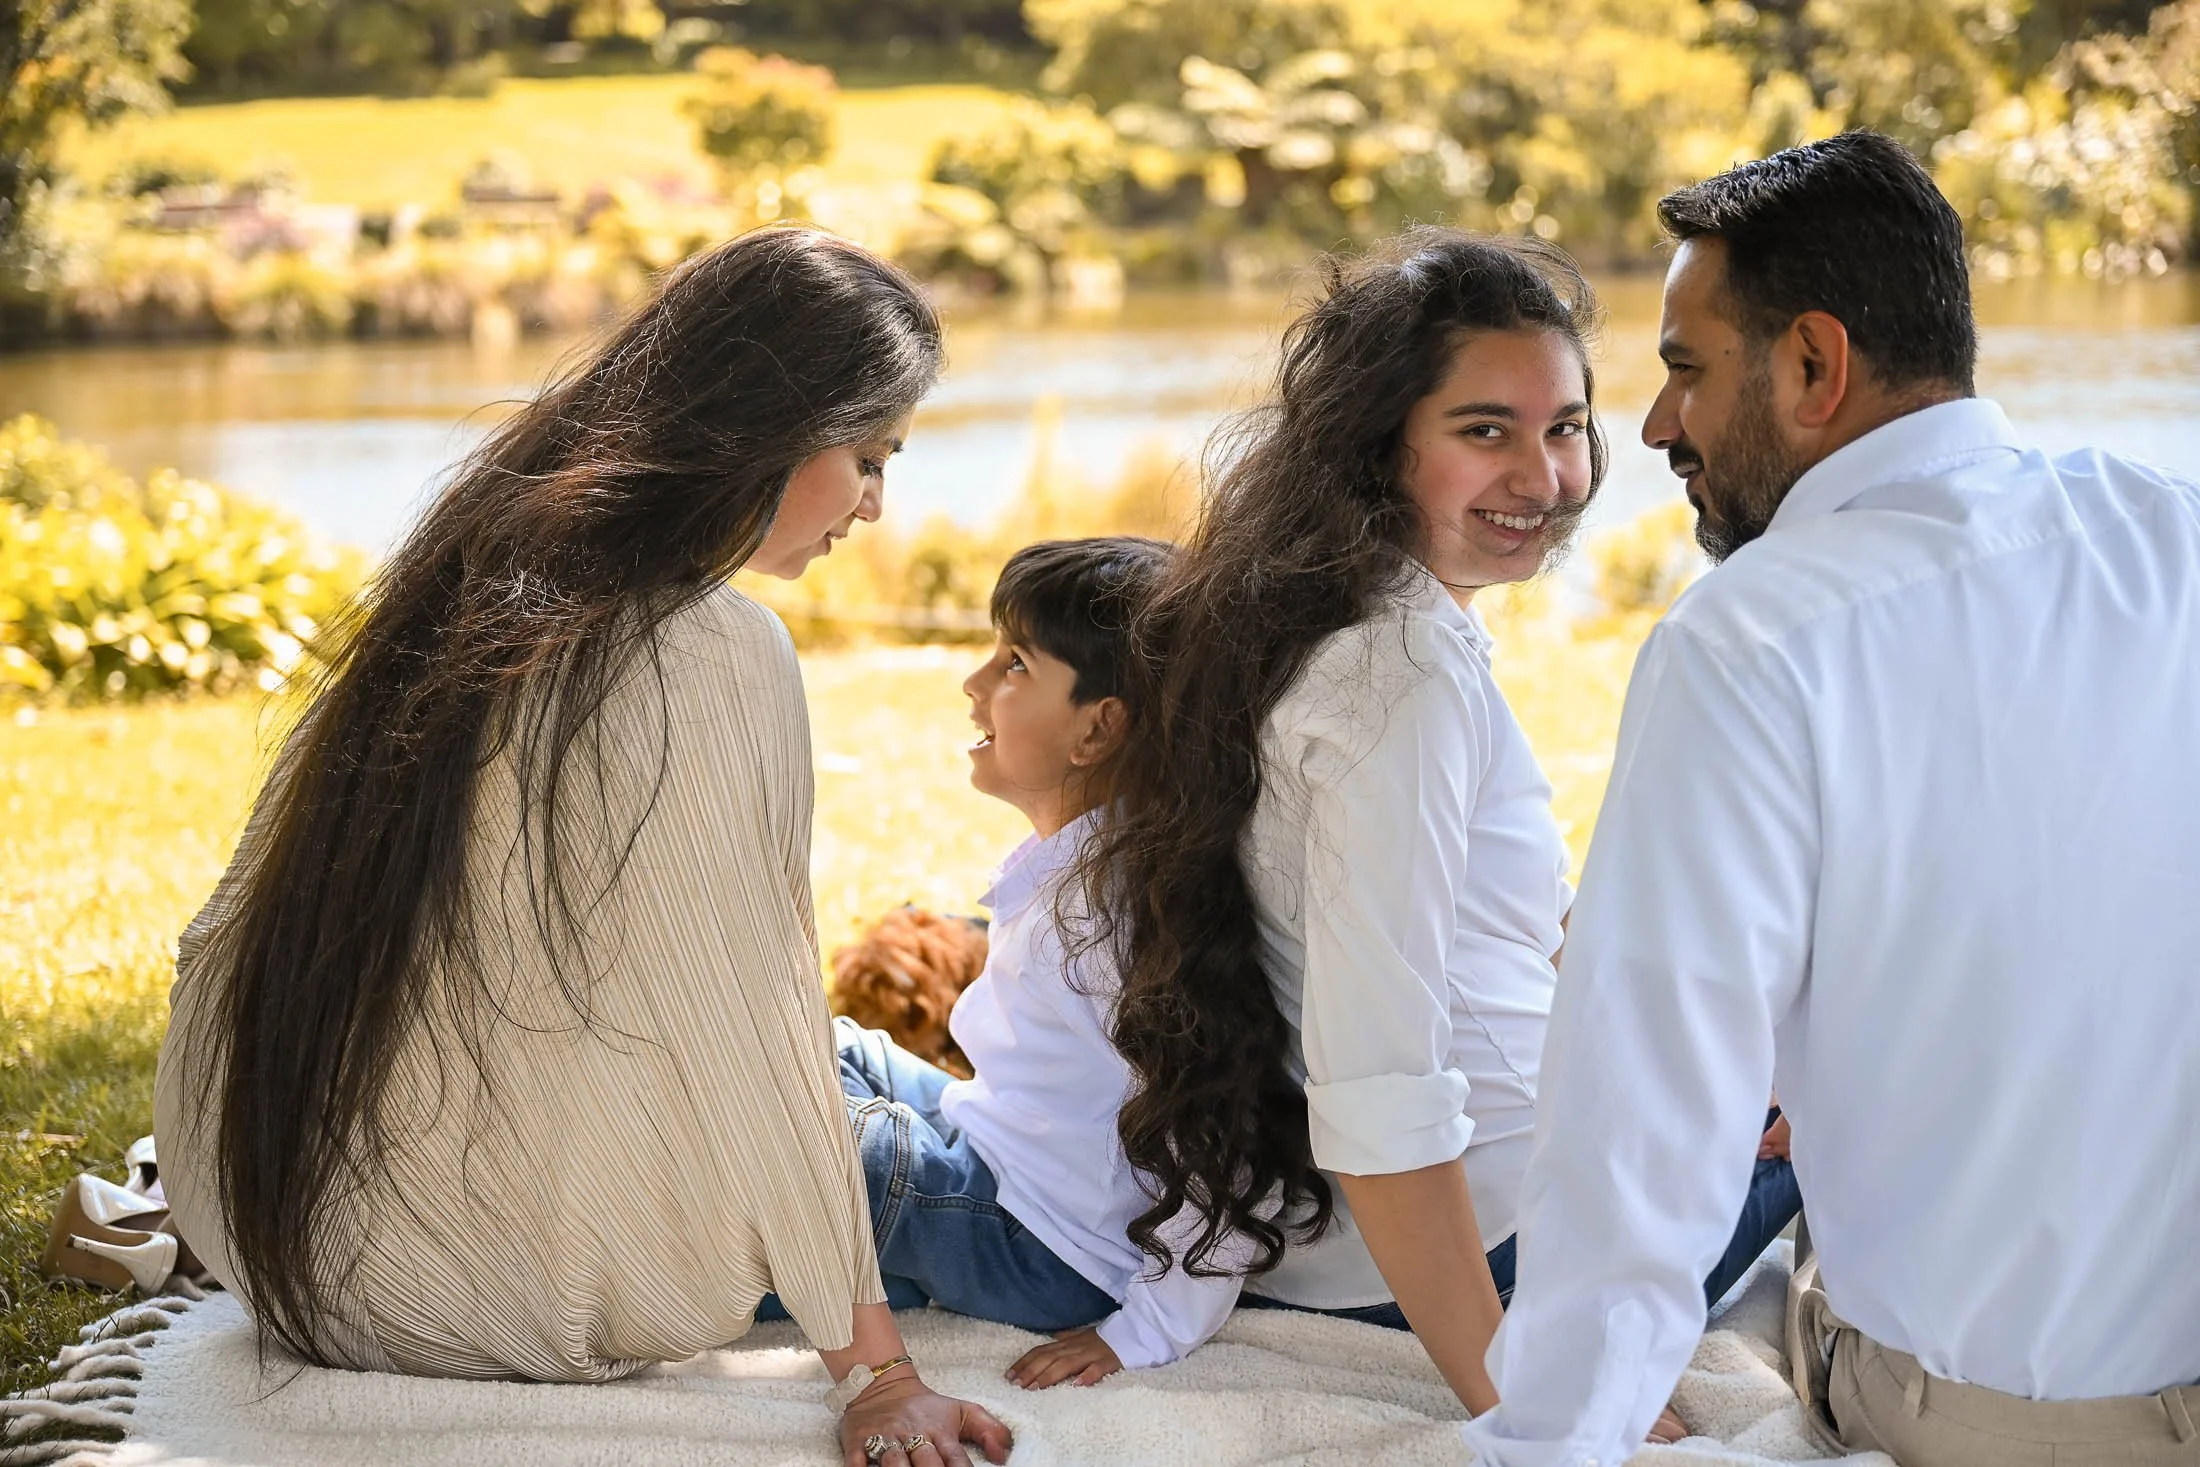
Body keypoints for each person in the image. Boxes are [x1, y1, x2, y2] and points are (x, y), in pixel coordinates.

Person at [152, 227, 1013, 1467]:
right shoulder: (717, 650)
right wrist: (876, 1371)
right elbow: (752, 1029)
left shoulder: (469, 565)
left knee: (829, 1068)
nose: (878, 506)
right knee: (939, 1161)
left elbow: (226, 928)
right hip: (478, 1292)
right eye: (871, 457)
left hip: (272, 1237)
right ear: (773, 422)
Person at [1461, 131, 2200, 1467]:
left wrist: (1548, 1443)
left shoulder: (1746, 641)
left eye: (1686, 367)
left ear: (1815, 363)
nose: (1655, 424)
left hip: (2023, 1418)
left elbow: (1639, 1145)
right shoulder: (2174, 530)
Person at [1081, 229, 1799, 1432]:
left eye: (1564, 427)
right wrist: (1527, 1399)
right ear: (1378, 446)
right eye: (1485, 431)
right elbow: (1383, 1093)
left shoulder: (1327, 618)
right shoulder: (1398, 677)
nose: (1546, 477)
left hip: (1370, 1235)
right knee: (1909, 1066)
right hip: (1507, 1248)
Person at [776, 536, 1267, 1388]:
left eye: (1013, 665)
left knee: (836, 1145)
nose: (974, 686)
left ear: (1098, 727)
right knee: (828, 1045)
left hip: (1045, 1244)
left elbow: (1223, 1137)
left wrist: (1144, 1331)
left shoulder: (1118, 916)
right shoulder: (1079, 862)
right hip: (998, 1145)